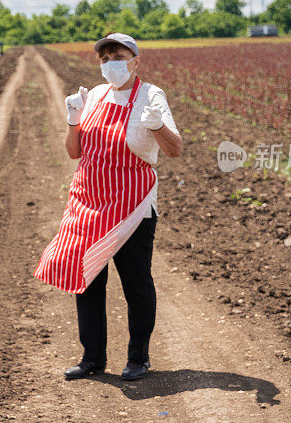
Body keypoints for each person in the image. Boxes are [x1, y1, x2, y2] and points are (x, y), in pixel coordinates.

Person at [34, 32, 183, 382]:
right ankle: (92, 358)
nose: (110, 63)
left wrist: (157, 125)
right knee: (84, 278)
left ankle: (138, 358)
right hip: (88, 202)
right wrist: (73, 120)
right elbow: (75, 152)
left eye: (118, 55)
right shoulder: (96, 95)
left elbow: (175, 150)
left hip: (132, 205)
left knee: (136, 283)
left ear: (135, 60)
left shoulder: (151, 95)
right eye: (104, 58)